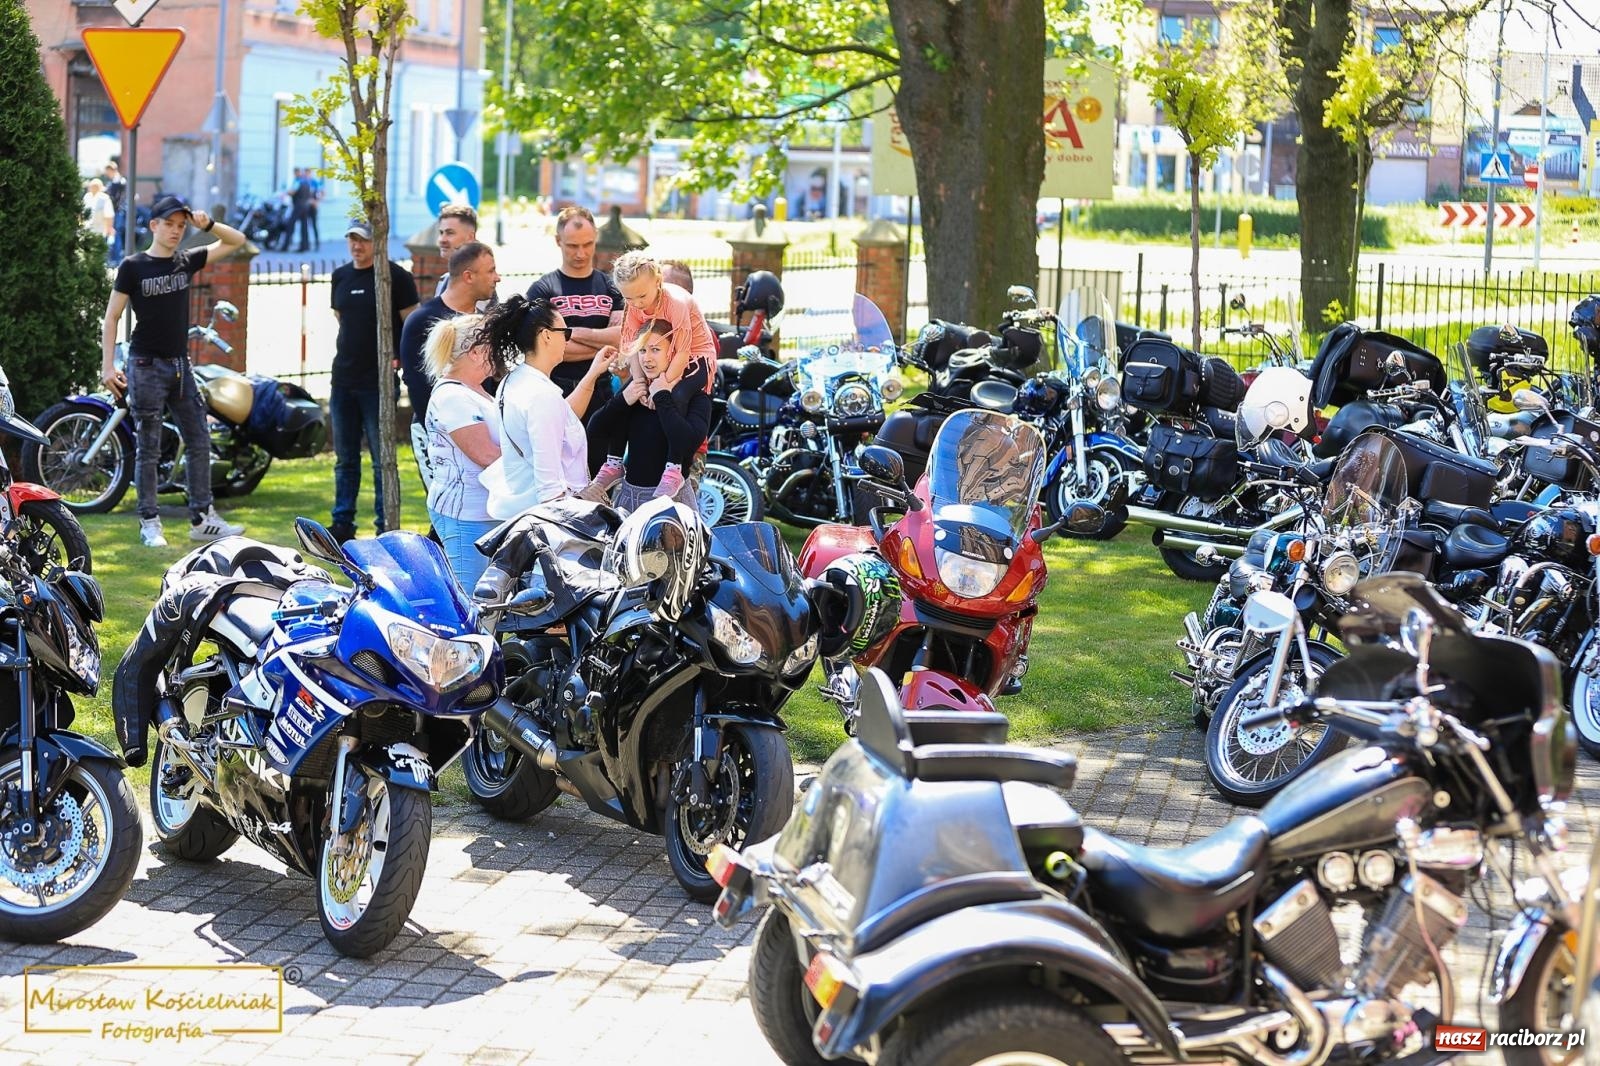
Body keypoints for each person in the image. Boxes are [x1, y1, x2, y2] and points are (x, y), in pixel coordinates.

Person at [100, 195, 247, 548]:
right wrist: (107, 364)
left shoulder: (186, 261)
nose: (176, 231)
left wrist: (206, 224)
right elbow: (112, 317)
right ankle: (150, 522)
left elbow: (236, 241)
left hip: (181, 367)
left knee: (199, 439)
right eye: (169, 224)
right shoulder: (133, 267)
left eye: (181, 225)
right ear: (154, 225)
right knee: (148, 447)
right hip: (144, 365)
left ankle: (202, 518)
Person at [580, 251, 717, 500]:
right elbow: (633, 347)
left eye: (642, 296)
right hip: (663, 353)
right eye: (629, 297)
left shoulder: (676, 302)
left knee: (678, 395)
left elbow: (684, 351)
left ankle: (675, 467)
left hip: (694, 357)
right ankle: (613, 462)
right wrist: (640, 381)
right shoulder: (634, 305)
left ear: (658, 281)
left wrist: (662, 387)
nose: (637, 303)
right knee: (628, 395)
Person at [475, 297, 611, 519]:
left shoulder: (513, 382)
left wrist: (592, 374)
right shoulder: (541, 395)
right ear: (546, 335)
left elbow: (561, 419)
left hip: (523, 515)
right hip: (553, 525)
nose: (567, 341)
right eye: (564, 333)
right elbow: (550, 491)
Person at [328, 220, 420, 542]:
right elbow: (342, 319)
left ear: (377, 242)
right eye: (352, 240)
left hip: (378, 382)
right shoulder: (340, 276)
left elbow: (412, 325)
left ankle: (385, 524)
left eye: (363, 240)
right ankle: (342, 523)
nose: (357, 246)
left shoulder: (396, 277)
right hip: (343, 379)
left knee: (383, 459)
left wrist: (397, 357)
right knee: (345, 459)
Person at [581, 319, 709, 511]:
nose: (647, 358)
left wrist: (662, 397)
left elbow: (686, 443)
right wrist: (622, 399)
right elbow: (595, 430)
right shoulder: (636, 395)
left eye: (655, 350)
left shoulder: (695, 397)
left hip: (672, 503)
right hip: (628, 498)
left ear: (673, 353)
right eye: (642, 350)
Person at [524, 206, 623, 438]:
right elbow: (545, 350)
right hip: (557, 389)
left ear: (595, 238)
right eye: (573, 246)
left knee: (599, 466)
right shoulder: (542, 290)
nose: (581, 253)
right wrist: (601, 346)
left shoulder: (611, 288)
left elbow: (621, 339)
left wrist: (569, 332)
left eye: (587, 244)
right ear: (558, 241)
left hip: (602, 389)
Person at [421, 313, 500, 586]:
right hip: (466, 514)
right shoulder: (454, 397)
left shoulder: (475, 391)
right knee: (471, 600)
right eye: (494, 346)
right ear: (477, 353)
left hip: (485, 512)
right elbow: (485, 455)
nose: (499, 353)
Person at [398, 241, 500, 427]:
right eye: (491, 271)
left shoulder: (484, 320)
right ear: (468, 276)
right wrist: (442, 431)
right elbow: (417, 383)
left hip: (485, 430)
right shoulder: (422, 320)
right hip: (444, 434)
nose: (497, 278)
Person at [433, 204, 479, 298]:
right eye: (441, 233)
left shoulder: (476, 281)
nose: (442, 239)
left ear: (470, 237)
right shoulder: (445, 279)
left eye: (450, 233)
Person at [103, 161, 126, 264]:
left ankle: (116, 258)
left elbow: (114, 197)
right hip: (116, 211)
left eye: (108, 171)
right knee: (115, 233)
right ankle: (115, 258)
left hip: (115, 211)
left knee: (114, 233)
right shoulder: (117, 181)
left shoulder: (117, 182)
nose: (107, 174)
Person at [291, 167, 315, 253]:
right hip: (306, 206)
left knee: (290, 224)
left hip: (299, 206)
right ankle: (305, 246)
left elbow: (293, 192)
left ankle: (286, 245)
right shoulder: (307, 182)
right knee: (304, 227)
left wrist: (287, 193)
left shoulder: (298, 181)